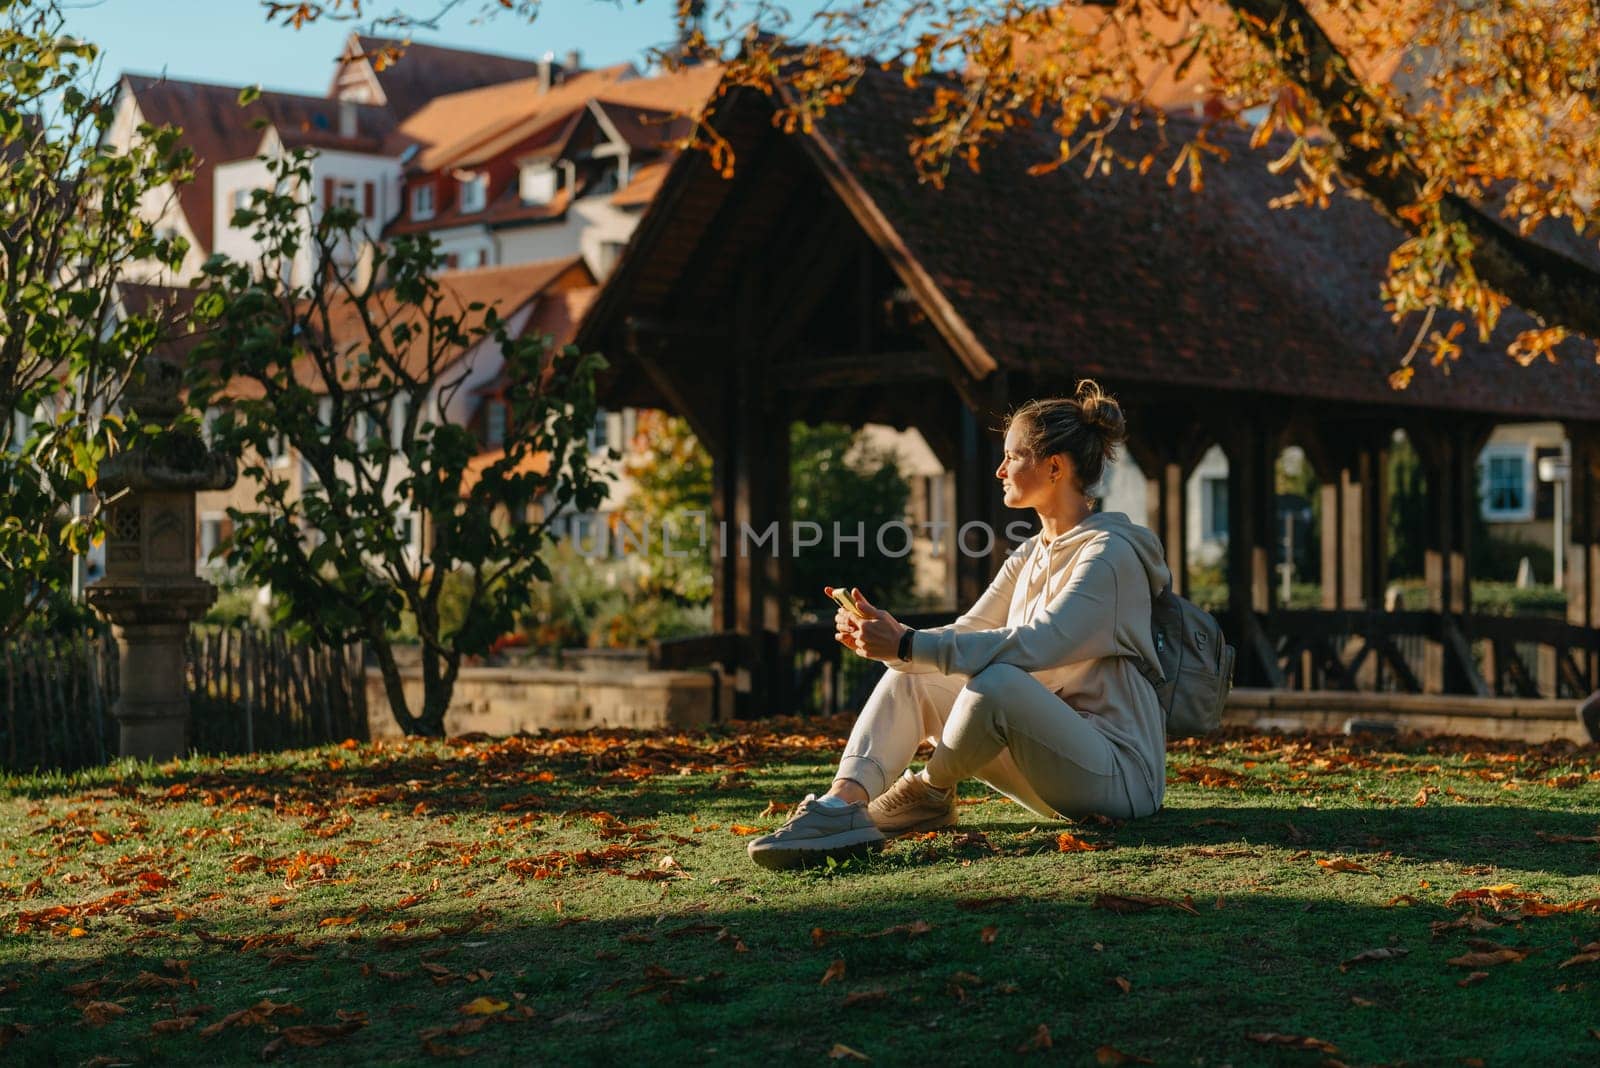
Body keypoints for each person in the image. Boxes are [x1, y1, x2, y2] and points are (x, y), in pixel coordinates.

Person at [748, 380, 1172, 870]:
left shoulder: (1109, 556)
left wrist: (909, 643)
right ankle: (841, 805)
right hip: (1051, 764)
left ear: (1055, 467)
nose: (1000, 469)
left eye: (1013, 456)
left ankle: (928, 791)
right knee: (912, 677)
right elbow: (971, 631)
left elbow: (1035, 645)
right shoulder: (1031, 554)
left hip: (1120, 779)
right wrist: (889, 637)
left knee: (997, 681)